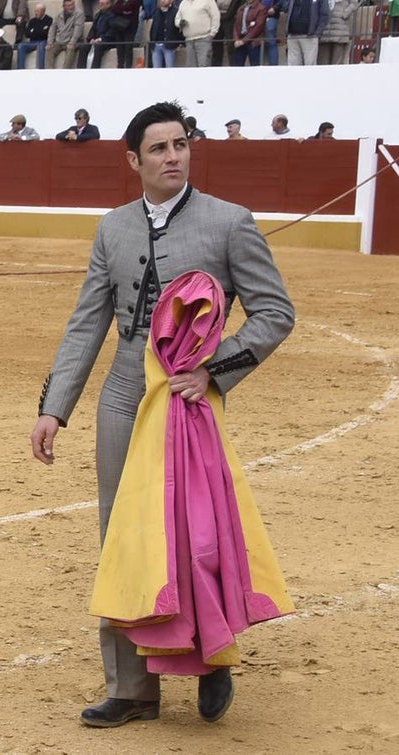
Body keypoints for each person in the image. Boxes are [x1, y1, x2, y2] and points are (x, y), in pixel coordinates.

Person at [29, 100, 295, 730]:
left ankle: (212, 654)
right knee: (123, 536)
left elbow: (274, 312)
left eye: (181, 145)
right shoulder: (113, 228)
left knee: (194, 531)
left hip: (186, 395)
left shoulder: (230, 223)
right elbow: (88, 319)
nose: (173, 156)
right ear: (134, 161)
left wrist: (214, 369)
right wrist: (54, 408)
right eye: (159, 148)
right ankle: (132, 689)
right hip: (126, 392)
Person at [284, 0, 329, 65]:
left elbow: (325, 15)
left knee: (309, 65)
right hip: (292, 36)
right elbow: (285, 7)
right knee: (292, 67)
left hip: (310, 37)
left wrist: (317, 33)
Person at [175, 0, 219, 66]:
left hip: (204, 39)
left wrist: (213, 33)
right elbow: (177, 19)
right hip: (189, 40)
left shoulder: (208, 1)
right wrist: (180, 23)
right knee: (191, 68)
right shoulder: (183, 3)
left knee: (204, 65)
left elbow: (215, 16)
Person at [46, 0, 85, 68]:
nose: (71, 7)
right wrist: (50, 42)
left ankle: (65, 71)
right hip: (59, 41)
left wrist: (72, 42)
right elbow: (52, 28)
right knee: (49, 49)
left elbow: (78, 30)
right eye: (69, 5)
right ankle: (50, 72)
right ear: (64, 6)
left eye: (72, 5)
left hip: (73, 41)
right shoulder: (58, 15)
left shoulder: (79, 14)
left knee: (70, 49)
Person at [317, 0, 356, 65]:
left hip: (340, 28)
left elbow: (354, 3)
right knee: (322, 62)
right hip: (325, 29)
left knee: (337, 62)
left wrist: (344, 13)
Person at [16, 2, 52, 68]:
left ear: (43, 11)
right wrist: (39, 31)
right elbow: (27, 34)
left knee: (40, 46)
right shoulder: (32, 21)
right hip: (32, 42)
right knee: (21, 46)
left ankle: (40, 69)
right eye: (35, 11)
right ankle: (20, 69)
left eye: (38, 11)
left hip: (43, 41)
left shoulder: (49, 20)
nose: (36, 13)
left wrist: (34, 32)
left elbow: (46, 33)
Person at [231, 0, 265, 66]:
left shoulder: (261, 8)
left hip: (254, 43)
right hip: (240, 41)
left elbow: (257, 28)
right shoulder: (241, 7)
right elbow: (236, 25)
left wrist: (244, 41)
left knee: (255, 67)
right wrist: (236, 39)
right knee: (237, 66)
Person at [149, 0, 182, 68]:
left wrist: (178, 43)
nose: (163, 1)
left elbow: (177, 29)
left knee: (169, 68)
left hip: (169, 45)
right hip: (156, 45)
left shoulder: (175, 12)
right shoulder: (156, 12)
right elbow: (153, 29)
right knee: (156, 69)